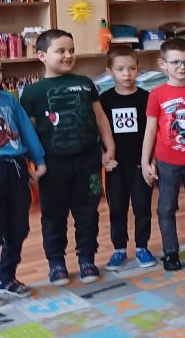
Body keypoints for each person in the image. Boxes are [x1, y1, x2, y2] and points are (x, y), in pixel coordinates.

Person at [21, 29, 116, 286]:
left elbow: (100, 118)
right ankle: (56, 263)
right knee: (54, 216)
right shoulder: (32, 93)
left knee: (88, 213)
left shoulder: (85, 83)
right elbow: (29, 134)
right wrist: (32, 164)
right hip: (53, 166)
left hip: (89, 162)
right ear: (42, 55)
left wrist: (109, 147)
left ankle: (87, 259)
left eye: (71, 50)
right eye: (61, 51)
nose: (68, 55)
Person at [141, 38, 185, 272]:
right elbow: (151, 129)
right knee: (166, 208)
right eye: (175, 62)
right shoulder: (156, 94)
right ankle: (170, 252)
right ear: (163, 64)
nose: (182, 67)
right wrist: (145, 161)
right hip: (166, 162)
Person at [99, 47, 156, 271]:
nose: (127, 74)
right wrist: (104, 156)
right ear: (109, 72)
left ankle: (142, 247)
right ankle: (119, 250)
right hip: (116, 166)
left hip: (140, 164)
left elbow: (153, 132)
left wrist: (150, 161)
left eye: (132, 68)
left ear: (138, 70)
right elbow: (100, 132)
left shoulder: (146, 98)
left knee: (142, 208)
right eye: (120, 69)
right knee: (117, 209)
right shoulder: (104, 100)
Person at [0, 56, 46, 298]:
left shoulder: (9, 100)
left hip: (16, 169)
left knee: (18, 227)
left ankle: (6, 278)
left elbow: (26, 131)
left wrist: (39, 160)